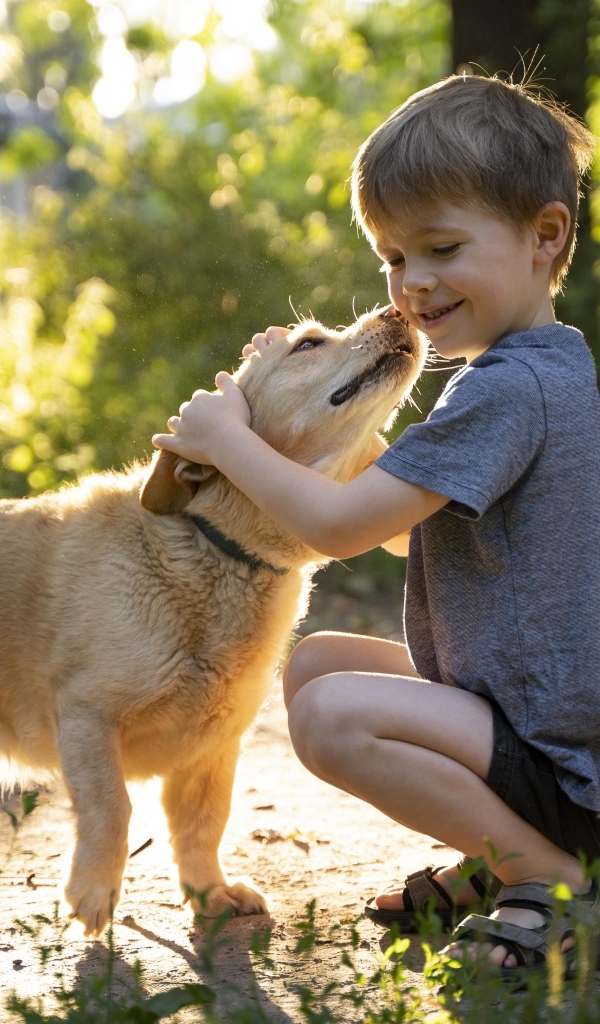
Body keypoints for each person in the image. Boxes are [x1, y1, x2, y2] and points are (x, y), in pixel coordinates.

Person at [152, 74, 600, 980]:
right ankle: (502, 853)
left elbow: (346, 529)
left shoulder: (510, 390)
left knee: (328, 716)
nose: (413, 283)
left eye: (441, 248)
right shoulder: (536, 371)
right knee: (317, 659)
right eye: (394, 257)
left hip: (562, 760)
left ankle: (548, 876)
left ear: (545, 235)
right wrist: (307, 401)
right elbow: (410, 528)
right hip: (532, 716)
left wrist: (231, 442)